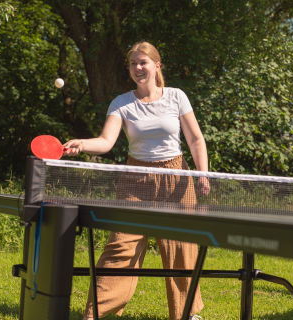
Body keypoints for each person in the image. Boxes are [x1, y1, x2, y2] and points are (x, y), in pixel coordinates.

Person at [63, 41, 210, 320]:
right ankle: (95, 314)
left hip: (176, 178)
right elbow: (106, 142)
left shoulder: (177, 96)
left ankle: (187, 313)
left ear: (157, 65)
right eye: (133, 64)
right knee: (120, 246)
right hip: (135, 180)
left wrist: (202, 173)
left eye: (143, 62)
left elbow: (195, 138)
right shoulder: (121, 103)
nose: (138, 68)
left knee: (182, 250)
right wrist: (81, 144)